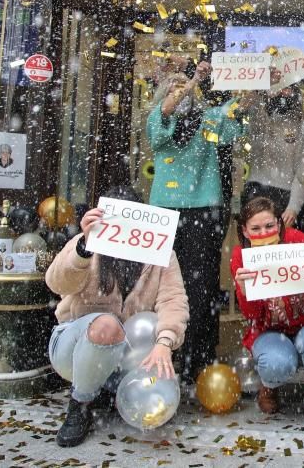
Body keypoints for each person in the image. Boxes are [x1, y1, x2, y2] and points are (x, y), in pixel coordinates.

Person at [45, 197, 190, 448]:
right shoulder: (89, 242)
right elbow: (56, 283)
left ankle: (108, 391)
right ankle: (79, 404)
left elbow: (173, 300)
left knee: (151, 325)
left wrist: (165, 342)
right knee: (107, 325)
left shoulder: (160, 251)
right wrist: (83, 247)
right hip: (73, 349)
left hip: (127, 356)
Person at [147, 62, 242, 382]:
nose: (181, 91)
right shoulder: (157, 120)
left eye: (185, 87)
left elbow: (235, 113)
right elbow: (163, 118)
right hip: (164, 212)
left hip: (203, 211)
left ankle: (198, 357)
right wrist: (191, 81)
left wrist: (255, 85)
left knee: (201, 287)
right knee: (160, 285)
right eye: (173, 86)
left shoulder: (208, 120)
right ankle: (163, 353)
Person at [230, 197, 304, 423]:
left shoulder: (296, 241)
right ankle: (269, 386)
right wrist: (243, 290)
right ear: (245, 230)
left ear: (279, 225)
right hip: (268, 330)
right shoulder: (241, 257)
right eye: (256, 228)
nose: (264, 232)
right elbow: (251, 315)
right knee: (275, 363)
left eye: (269, 226)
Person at [240, 70, 304, 228]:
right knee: (253, 246)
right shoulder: (261, 119)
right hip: (255, 190)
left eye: (286, 88)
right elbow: (251, 110)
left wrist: (293, 207)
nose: (281, 93)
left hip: (283, 195)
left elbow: (302, 171)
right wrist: (262, 84)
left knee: (279, 246)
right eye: (277, 89)